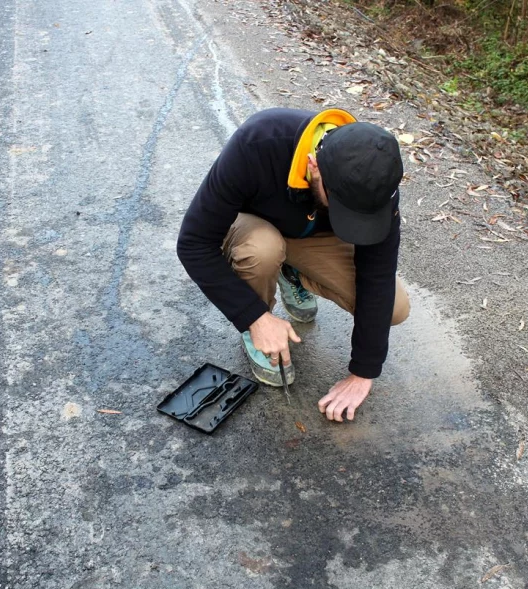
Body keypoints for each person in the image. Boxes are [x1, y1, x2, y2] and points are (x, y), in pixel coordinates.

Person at [176, 108, 410, 422]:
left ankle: (292, 272)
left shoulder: (377, 177)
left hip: (311, 236)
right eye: (342, 207)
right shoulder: (258, 143)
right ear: (315, 166)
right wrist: (254, 316)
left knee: (394, 306)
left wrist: (362, 373)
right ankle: (257, 322)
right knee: (262, 250)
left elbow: (377, 274)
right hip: (255, 227)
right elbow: (194, 242)